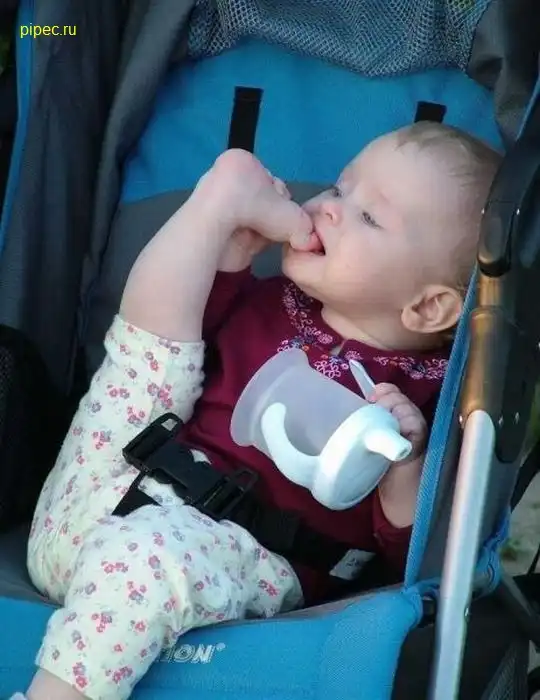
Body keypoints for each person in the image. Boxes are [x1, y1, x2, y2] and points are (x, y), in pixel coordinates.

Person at [12, 122, 501, 700]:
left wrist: (404, 462)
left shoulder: (424, 398)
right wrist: (228, 247)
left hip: (233, 556)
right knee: (154, 357)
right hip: (93, 502)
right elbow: (155, 338)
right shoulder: (269, 299)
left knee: (148, 557)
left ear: (427, 308)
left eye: (369, 217)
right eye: (340, 188)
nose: (329, 207)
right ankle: (213, 205)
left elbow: (409, 555)